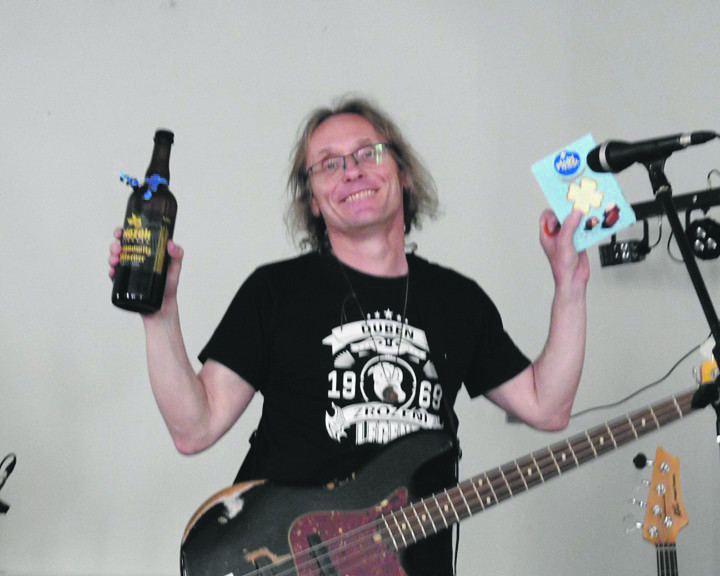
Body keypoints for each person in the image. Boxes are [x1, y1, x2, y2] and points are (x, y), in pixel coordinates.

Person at [108, 97, 589, 576]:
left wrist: (570, 285)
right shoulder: (274, 292)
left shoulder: (459, 300)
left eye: (367, 153)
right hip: (288, 561)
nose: (352, 171)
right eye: (329, 164)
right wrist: (160, 314)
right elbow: (194, 430)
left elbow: (547, 407)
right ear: (313, 201)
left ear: (402, 173)